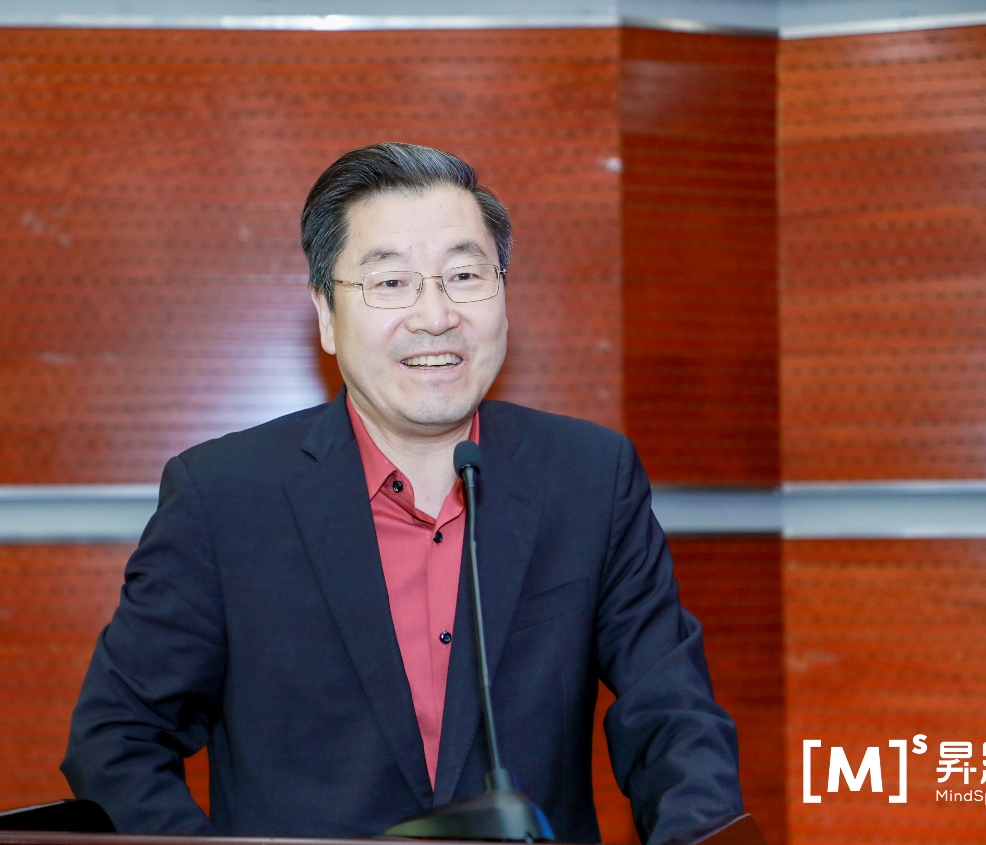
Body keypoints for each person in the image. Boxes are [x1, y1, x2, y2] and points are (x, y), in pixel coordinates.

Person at [61, 142, 743, 845]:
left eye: (464, 275)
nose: (436, 315)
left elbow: (673, 719)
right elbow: (117, 741)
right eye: (391, 282)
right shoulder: (224, 498)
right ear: (326, 315)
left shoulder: (589, 477)